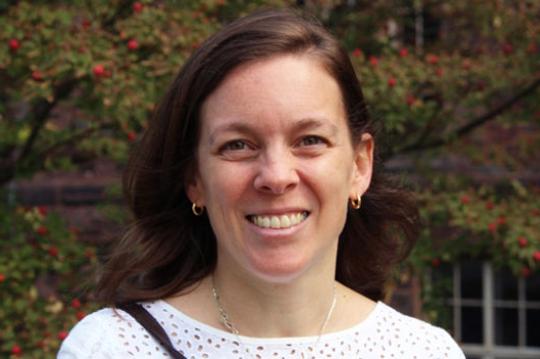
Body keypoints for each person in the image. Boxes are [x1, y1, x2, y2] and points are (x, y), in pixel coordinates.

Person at [58, 8, 465, 359]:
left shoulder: (421, 350)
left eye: (309, 141)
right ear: (194, 177)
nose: (276, 176)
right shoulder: (114, 347)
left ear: (359, 165)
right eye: (238, 145)